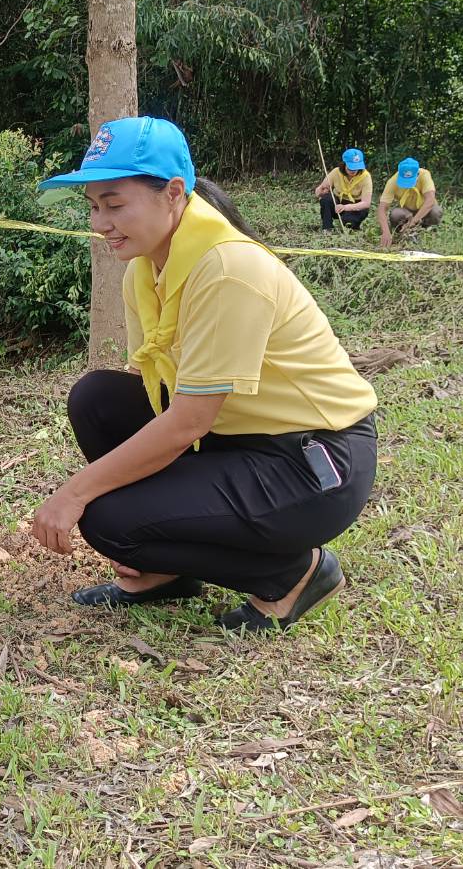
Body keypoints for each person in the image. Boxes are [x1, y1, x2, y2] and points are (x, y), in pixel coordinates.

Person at [30, 116, 378, 632]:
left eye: (115, 204)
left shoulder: (228, 270)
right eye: (94, 206)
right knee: (97, 399)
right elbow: (157, 388)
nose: (100, 223)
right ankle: (164, 571)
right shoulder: (143, 271)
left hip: (315, 461)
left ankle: (292, 574)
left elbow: (186, 423)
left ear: (173, 193)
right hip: (236, 436)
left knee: (107, 519)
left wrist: (75, 492)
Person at [377, 157, 441, 249]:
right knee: (395, 214)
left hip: (425, 210)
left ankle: (428, 230)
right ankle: (404, 232)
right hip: (407, 211)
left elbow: (430, 200)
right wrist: (386, 232)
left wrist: (413, 222)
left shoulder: (424, 175)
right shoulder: (392, 181)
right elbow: (382, 208)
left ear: (417, 174)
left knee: (436, 211)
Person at [313, 148, 373, 231]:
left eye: (356, 168)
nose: (353, 171)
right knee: (326, 199)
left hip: (355, 206)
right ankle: (327, 228)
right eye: (350, 168)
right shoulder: (336, 172)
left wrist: (345, 207)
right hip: (338, 203)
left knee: (349, 223)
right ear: (344, 164)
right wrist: (320, 192)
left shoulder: (366, 176)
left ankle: (353, 226)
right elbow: (320, 190)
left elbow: (366, 203)